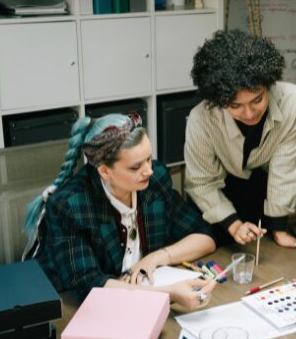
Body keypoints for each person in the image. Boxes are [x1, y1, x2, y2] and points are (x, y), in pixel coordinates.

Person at [24, 114, 217, 311]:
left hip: (138, 300)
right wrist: (169, 294)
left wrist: (155, 258)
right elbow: (90, 286)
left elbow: (204, 237)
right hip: (72, 308)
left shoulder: (154, 181)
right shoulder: (70, 205)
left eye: (149, 159)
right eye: (136, 167)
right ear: (104, 172)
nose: (149, 170)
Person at [185, 29, 296, 250]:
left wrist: (279, 230)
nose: (249, 114)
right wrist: (234, 226)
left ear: (268, 85)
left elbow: (284, 169)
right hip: (217, 193)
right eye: (235, 105)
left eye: (257, 100)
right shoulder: (201, 119)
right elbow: (202, 182)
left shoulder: (292, 101)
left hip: (262, 186)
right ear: (219, 100)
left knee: (265, 252)